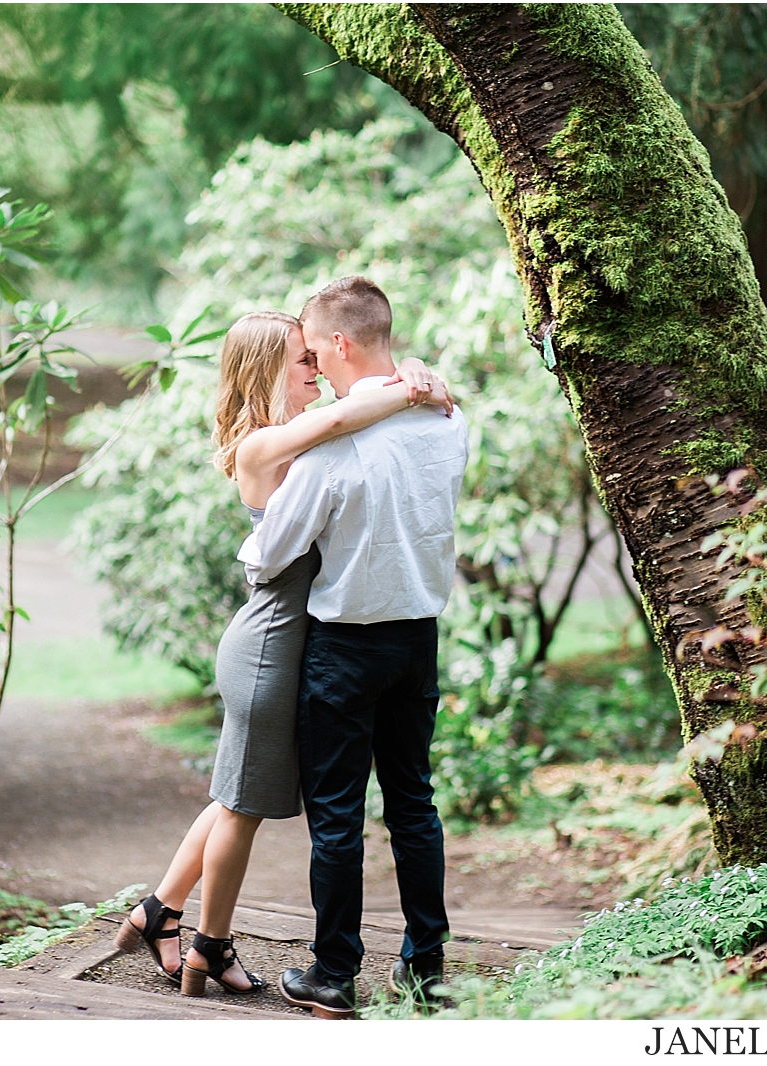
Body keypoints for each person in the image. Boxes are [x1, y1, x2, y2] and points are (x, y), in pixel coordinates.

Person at [114, 308, 454, 997]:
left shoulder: (297, 440)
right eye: (302, 360)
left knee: (239, 795)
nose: (315, 369)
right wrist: (411, 385)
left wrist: (411, 373)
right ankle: (209, 944)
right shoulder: (265, 445)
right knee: (244, 804)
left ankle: (160, 912)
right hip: (270, 642)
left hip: (298, 640)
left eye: (314, 356)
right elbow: (338, 424)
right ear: (267, 370)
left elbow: (350, 425)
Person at [239, 277, 468, 1019]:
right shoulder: (446, 419)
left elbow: (270, 554)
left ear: (338, 344)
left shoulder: (331, 449)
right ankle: (425, 970)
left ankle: (335, 974)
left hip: (344, 647)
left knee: (337, 815)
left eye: (311, 351)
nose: (312, 365)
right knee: (414, 805)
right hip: (417, 640)